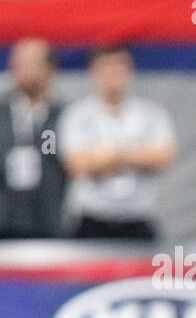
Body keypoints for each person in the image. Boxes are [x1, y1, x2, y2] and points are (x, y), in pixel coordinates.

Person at [58, 45, 175, 240]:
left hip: (138, 217)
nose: (113, 73)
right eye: (107, 66)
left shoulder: (152, 113)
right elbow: (75, 164)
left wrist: (112, 155)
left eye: (119, 66)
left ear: (130, 71)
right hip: (91, 219)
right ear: (93, 72)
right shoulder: (76, 115)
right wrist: (138, 156)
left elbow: (163, 157)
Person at [0, 38, 66, 239]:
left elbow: (57, 158)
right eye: (17, 64)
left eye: (30, 64)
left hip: (48, 222)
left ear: (51, 69)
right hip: (5, 220)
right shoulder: (2, 113)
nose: (22, 71)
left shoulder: (62, 116)